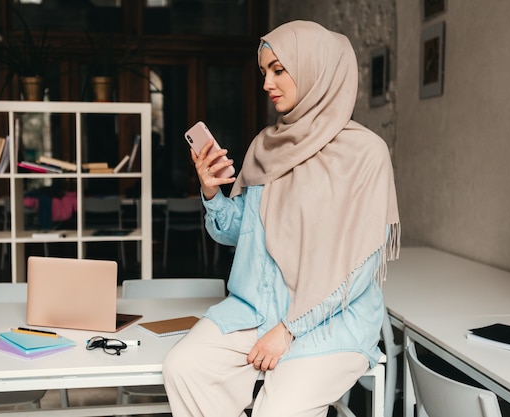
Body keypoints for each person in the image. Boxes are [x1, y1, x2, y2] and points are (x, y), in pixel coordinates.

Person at [163, 20, 400, 417]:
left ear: (314, 70)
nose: (267, 84)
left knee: (279, 409)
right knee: (184, 367)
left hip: (332, 321)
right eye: (263, 72)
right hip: (257, 308)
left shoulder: (366, 154)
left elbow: (360, 266)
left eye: (278, 70)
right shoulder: (265, 146)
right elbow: (239, 233)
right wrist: (211, 191)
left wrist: (289, 328)